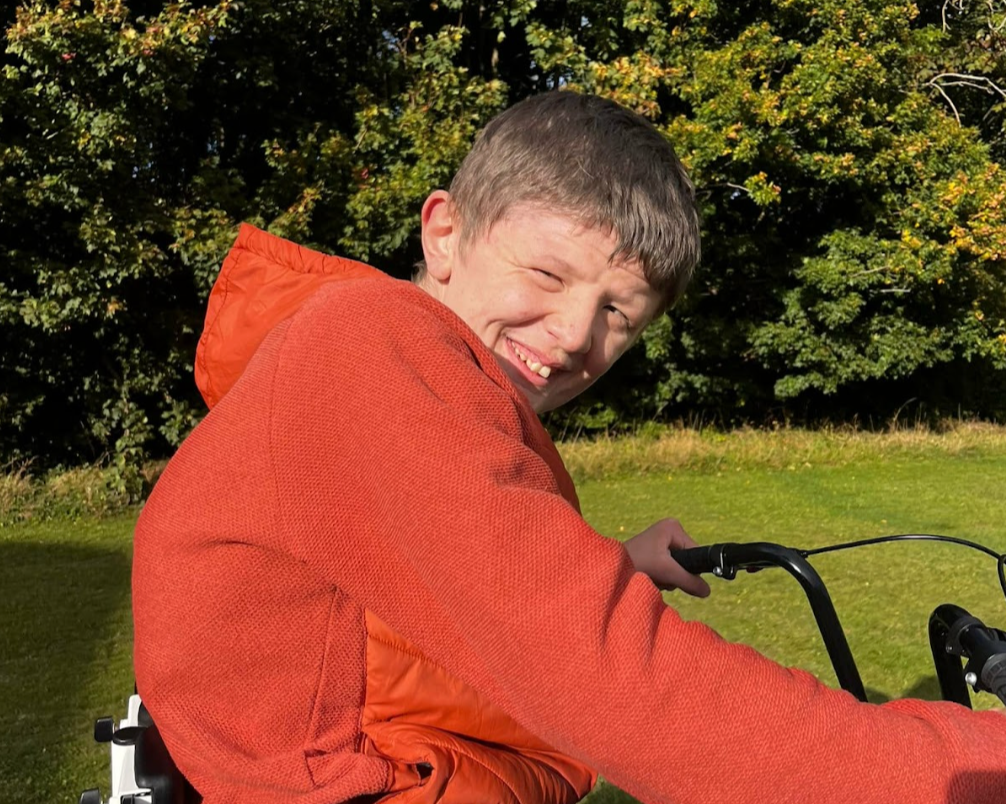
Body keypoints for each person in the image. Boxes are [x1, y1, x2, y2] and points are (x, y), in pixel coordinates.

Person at [132, 91, 1006, 804]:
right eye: (548, 275)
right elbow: (614, 688)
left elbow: (431, 600)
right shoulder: (369, 344)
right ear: (444, 231)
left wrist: (617, 563)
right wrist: (957, 761)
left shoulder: (405, 374)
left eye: (619, 312)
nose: (574, 336)